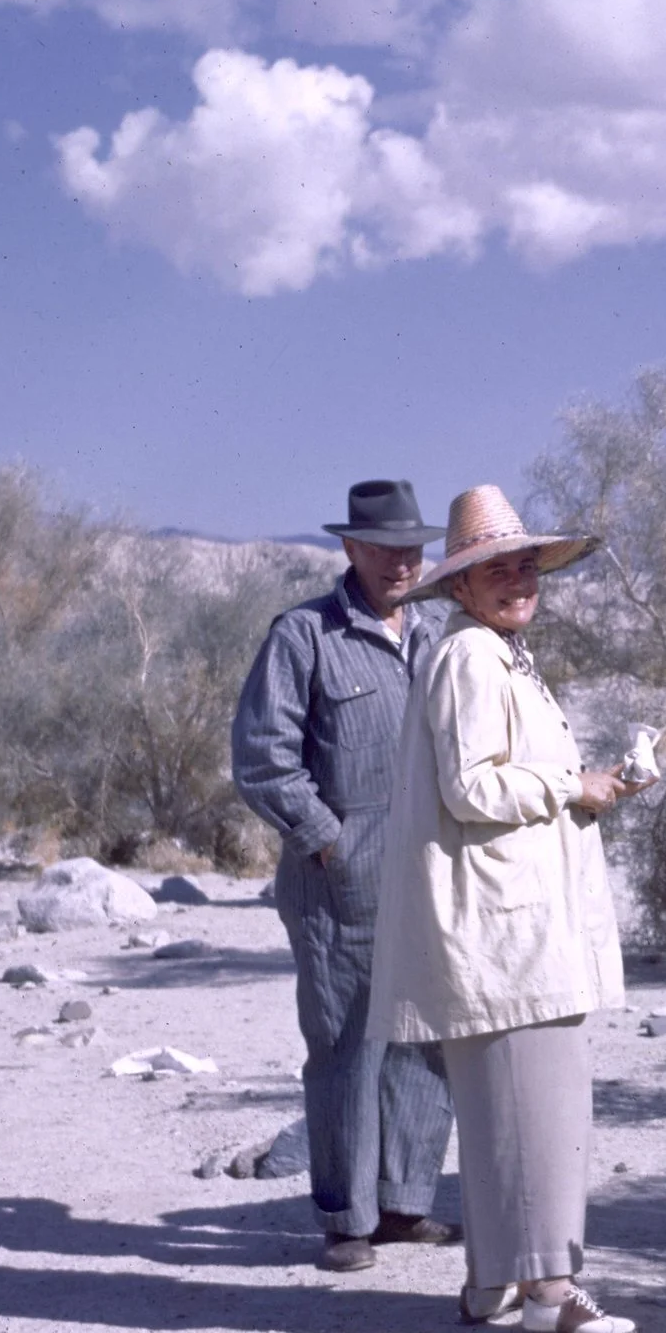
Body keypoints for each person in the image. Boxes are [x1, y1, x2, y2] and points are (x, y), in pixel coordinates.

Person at [367, 485, 648, 1333]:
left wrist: (587, 792)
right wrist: (575, 785)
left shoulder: (492, 654)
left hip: (509, 921)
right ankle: (551, 1292)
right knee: (540, 1106)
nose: (518, 579)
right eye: (497, 568)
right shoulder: (471, 658)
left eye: (525, 563)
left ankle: (494, 1281)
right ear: (460, 584)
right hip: (506, 929)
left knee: (504, 1108)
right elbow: (473, 784)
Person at [232, 479, 461, 1274]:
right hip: (339, 888)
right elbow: (263, 759)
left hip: (429, 880)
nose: (402, 562)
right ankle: (346, 1217)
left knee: (423, 1042)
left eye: (412, 547)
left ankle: (405, 1204)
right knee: (346, 1046)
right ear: (350, 549)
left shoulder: (434, 636)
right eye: (384, 548)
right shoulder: (303, 636)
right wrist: (327, 842)